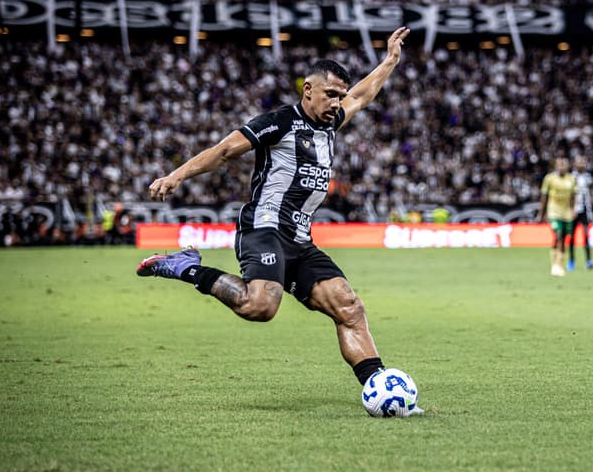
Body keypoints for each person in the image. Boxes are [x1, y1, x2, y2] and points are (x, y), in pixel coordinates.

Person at [137, 28, 421, 413]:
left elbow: (363, 94)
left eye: (340, 96)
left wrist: (389, 62)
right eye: (330, 95)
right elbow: (223, 151)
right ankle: (187, 268)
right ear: (308, 90)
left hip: (300, 239)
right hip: (264, 228)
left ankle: (382, 389)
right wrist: (176, 176)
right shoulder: (279, 122)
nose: (337, 103)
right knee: (261, 307)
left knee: (349, 307)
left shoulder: (331, 124)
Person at [537, 156, 576, 277]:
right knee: (558, 235)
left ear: (568, 166)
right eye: (560, 165)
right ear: (556, 166)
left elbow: (573, 196)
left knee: (563, 238)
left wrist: (573, 209)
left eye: (564, 165)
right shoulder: (549, 178)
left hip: (566, 213)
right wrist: (541, 213)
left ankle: (559, 263)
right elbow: (544, 196)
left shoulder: (572, 179)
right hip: (553, 211)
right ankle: (555, 265)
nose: (562, 167)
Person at [567, 155, 593, 271]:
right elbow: (569, 195)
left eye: (583, 162)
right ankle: (571, 260)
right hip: (573, 211)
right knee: (572, 236)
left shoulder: (588, 177)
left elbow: (589, 194)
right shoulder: (571, 177)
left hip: (585, 211)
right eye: (579, 162)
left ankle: (588, 261)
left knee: (586, 235)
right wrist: (571, 209)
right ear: (575, 164)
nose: (582, 164)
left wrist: (591, 209)